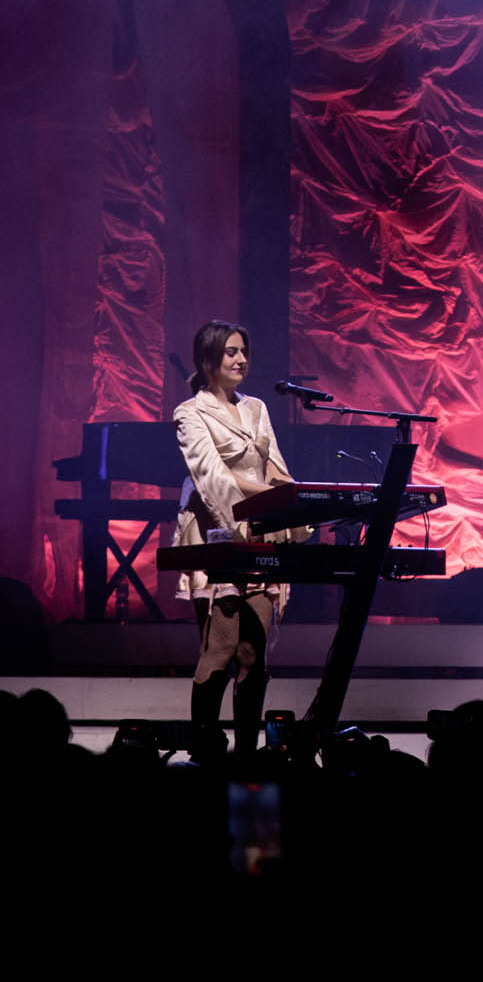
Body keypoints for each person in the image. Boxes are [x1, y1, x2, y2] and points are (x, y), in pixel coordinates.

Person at [169, 320, 297, 756]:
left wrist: (299, 507)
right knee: (221, 648)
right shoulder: (190, 412)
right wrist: (246, 526)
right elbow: (212, 478)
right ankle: (205, 745)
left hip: (260, 534)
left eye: (243, 350)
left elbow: (275, 469)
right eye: (230, 352)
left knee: (254, 654)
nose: (241, 359)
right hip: (218, 532)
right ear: (207, 361)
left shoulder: (258, 408)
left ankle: (246, 750)